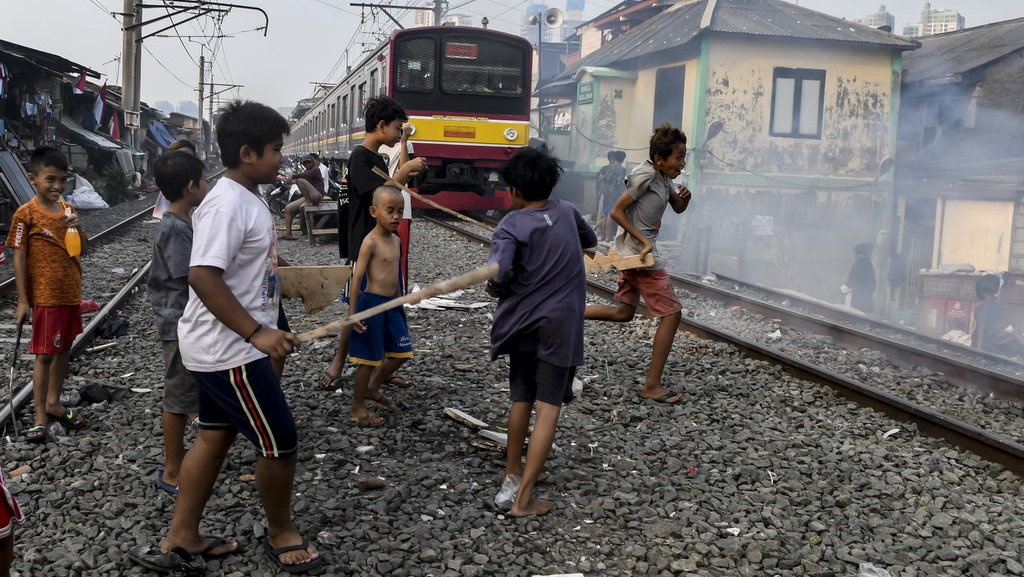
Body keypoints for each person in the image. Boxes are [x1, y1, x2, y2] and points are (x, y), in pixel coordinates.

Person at [129, 100, 321, 575]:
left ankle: (182, 538)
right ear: (247, 152)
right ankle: (282, 534)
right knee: (280, 439)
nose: (282, 158)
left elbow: (244, 269)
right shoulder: (227, 204)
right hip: (228, 350)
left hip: (223, 345)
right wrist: (257, 332)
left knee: (214, 436)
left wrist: (301, 284)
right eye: (276, 150)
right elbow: (202, 275)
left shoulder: (245, 198)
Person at [487, 147, 596, 517]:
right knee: (547, 409)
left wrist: (494, 287)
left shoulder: (509, 226)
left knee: (521, 398)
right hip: (560, 327)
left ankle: (513, 476)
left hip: (523, 325)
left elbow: (499, 275)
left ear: (514, 191)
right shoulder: (566, 210)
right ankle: (523, 500)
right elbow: (590, 240)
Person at [322, 96, 425, 390]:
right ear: (380, 126)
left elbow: (395, 188)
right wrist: (403, 172)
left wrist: (404, 146)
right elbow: (382, 193)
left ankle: (382, 367)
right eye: (396, 128)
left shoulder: (377, 158)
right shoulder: (359, 158)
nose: (397, 132)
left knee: (388, 306)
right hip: (366, 246)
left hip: (384, 245)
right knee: (359, 309)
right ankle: (340, 362)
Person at [584, 123, 691, 405]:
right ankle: (652, 385)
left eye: (684, 157)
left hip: (636, 254)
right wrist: (643, 241)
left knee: (623, 312)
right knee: (672, 314)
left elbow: (676, 208)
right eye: (678, 157)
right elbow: (617, 212)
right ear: (659, 159)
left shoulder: (664, 179)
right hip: (639, 257)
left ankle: (566, 313)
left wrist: (684, 201)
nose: (682, 163)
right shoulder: (645, 175)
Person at [6, 146, 88, 442]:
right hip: (46, 297)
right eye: (50, 179)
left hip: (70, 294)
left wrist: (78, 229)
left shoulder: (69, 211)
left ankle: (54, 402)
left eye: (63, 180)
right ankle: (40, 415)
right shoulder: (25, 214)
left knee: (64, 349)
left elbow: (82, 251)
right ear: (33, 179)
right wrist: (23, 300)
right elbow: (19, 256)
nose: (57, 186)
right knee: (43, 356)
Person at [147, 150, 208, 494]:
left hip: (182, 322)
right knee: (178, 396)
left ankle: (181, 458)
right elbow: (191, 277)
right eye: (202, 181)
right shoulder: (176, 229)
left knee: (185, 393)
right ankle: (172, 469)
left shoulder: (181, 223)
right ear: (190, 187)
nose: (206, 186)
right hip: (178, 324)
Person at [346, 186, 414, 427]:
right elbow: (357, 277)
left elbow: (396, 274)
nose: (396, 216)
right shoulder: (370, 242)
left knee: (402, 352)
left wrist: (401, 302)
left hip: (392, 304)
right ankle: (357, 406)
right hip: (372, 304)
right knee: (369, 358)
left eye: (400, 211)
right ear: (374, 212)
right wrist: (353, 313)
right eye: (390, 211)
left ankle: (373, 387)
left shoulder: (396, 240)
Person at [378, 123, 416, 292]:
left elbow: (405, 171)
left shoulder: (406, 144)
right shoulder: (374, 146)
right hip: (381, 205)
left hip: (402, 206)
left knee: (399, 253)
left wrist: (403, 142)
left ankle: (399, 293)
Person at [971, 274, 1024, 357]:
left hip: (981, 344)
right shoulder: (998, 306)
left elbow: (981, 328)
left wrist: (979, 347)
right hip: (992, 344)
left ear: (982, 291)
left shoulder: (983, 307)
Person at [278, 155, 324, 241]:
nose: (307, 164)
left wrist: (294, 176)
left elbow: (304, 175)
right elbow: (299, 178)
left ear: (313, 162)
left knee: (299, 179)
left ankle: (308, 201)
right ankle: (288, 233)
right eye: (305, 163)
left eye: (308, 162)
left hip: (317, 196)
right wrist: (288, 179)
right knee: (288, 208)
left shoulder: (316, 170)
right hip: (309, 197)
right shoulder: (306, 171)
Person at [595, 150, 626, 242]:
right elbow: (621, 183)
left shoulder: (608, 168)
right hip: (615, 194)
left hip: (606, 194)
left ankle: (602, 236)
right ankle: (609, 237)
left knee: (605, 214)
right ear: (623, 159)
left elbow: (602, 179)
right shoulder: (622, 170)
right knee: (610, 215)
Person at [842, 242, 876, 314]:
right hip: (864, 299)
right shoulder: (867, 264)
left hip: (857, 298)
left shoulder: (859, 263)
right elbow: (872, 284)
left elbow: (851, 283)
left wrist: (844, 288)